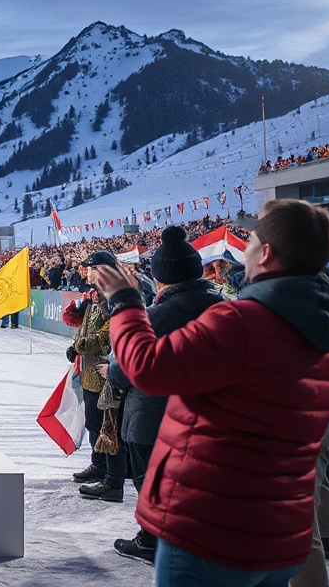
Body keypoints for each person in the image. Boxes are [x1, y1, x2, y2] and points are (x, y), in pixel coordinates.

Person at [93, 199, 329, 585]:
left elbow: (146, 368)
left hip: (213, 526)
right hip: (279, 527)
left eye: (248, 243)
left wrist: (126, 303)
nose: (241, 253)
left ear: (266, 254)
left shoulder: (240, 322)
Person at [108, 227, 223, 565]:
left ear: (160, 278)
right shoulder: (224, 305)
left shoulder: (158, 315)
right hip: (211, 413)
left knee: (153, 482)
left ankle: (152, 541)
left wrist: (111, 373)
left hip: (155, 414)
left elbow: (127, 362)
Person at [64, 250, 118, 495]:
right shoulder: (95, 295)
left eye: (90, 267)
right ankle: (98, 464)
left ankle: (110, 471)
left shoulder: (113, 295)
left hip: (105, 370)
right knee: (93, 422)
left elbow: (109, 331)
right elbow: (89, 327)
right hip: (90, 370)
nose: (85, 272)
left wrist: (80, 346)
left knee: (105, 423)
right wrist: (76, 345)